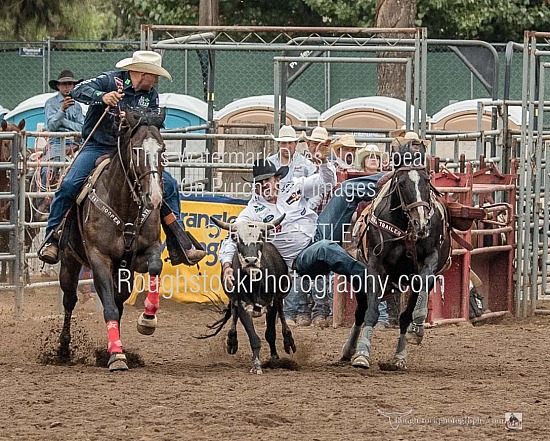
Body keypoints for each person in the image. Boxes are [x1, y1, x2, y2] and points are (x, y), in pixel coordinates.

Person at [38, 50, 206, 266]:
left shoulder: (151, 94)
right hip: (97, 146)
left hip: (129, 151)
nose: (155, 81)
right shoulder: (109, 80)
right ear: (141, 73)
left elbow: (152, 123)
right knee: (69, 184)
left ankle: (178, 243)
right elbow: (79, 90)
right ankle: (53, 237)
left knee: (170, 186)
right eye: (154, 75)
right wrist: (102, 97)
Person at [219, 155, 378, 320]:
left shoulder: (293, 187)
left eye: (268, 180)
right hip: (301, 260)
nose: (265, 185)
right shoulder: (251, 212)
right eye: (260, 183)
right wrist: (227, 266)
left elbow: (326, 182)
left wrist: (323, 161)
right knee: (325, 247)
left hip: (320, 233)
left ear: (277, 179)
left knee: (347, 189)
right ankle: (372, 281)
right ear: (256, 187)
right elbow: (232, 237)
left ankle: (392, 181)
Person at [269, 125, 331, 327]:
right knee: (286, 268)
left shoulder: (305, 165)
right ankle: (290, 310)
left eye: (289, 142)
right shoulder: (269, 164)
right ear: (279, 144)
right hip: (278, 224)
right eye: (283, 143)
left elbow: (316, 190)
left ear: (295, 144)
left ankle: (302, 310)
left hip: (303, 222)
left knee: (303, 266)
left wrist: (301, 210)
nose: (286, 146)